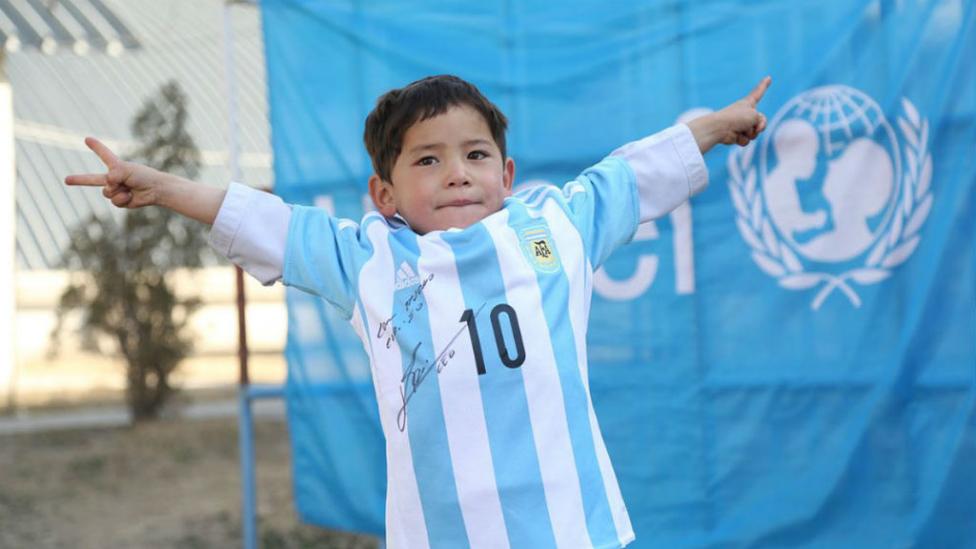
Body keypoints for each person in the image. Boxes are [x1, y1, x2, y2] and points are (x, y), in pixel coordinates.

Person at [66, 74, 771, 549]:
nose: (458, 171)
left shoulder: (555, 225)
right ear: (386, 193)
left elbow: (633, 174)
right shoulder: (367, 259)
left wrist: (716, 125)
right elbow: (268, 222)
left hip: (572, 530)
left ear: (507, 173)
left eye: (475, 153)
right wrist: (158, 187)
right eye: (428, 160)